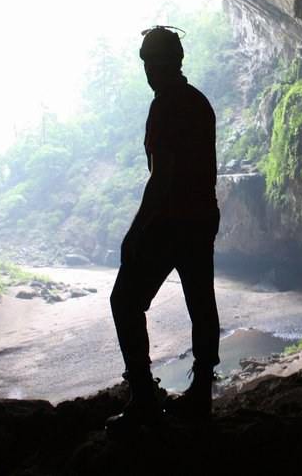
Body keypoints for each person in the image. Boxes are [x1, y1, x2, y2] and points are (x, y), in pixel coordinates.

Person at [107, 26, 221, 430]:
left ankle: (143, 398)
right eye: (145, 60)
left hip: (171, 221)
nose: (148, 69)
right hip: (202, 217)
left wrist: (135, 232)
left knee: (125, 301)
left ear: (170, 62)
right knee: (200, 302)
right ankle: (201, 394)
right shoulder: (198, 103)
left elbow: (162, 176)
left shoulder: (166, 106)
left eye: (152, 60)